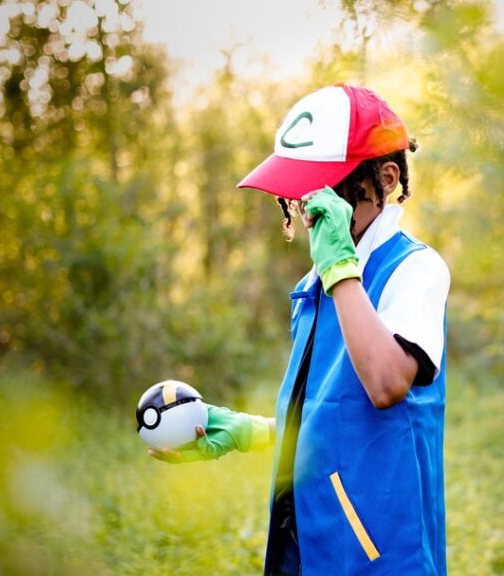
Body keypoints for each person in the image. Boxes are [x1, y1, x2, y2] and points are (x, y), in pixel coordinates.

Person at [149, 84, 450, 575]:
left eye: (324, 189)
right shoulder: (316, 284)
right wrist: (245, 432)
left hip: (381, 546)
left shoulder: (413, 269)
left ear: (386, 178)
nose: (308, 209)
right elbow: (335, 418)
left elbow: (386, 384)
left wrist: (339, 269)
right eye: (301, 191)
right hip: (307, 539)